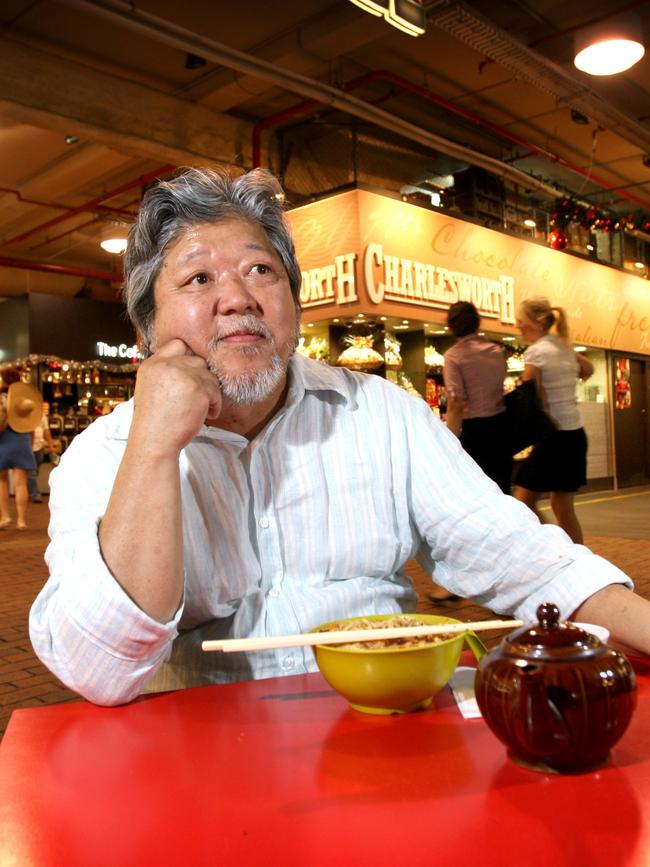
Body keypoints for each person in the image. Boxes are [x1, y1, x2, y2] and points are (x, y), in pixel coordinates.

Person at [28, 167, 650, 708]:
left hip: (383, 732)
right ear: (147, 326)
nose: (238, 298)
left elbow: (516, 552)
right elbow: (101, 673)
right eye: (198, 280)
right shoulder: (103, 458)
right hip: (198, 763)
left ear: (295, 304)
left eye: (261, 270)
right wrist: (154, 446)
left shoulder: (381, 414)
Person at [513, 297, 594, 544]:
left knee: (522, 502)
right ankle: (577, 560)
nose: (518, 326)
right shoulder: (564, 347)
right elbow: (589, 369)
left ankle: (553, 547)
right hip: (574, 435)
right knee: (563, 505)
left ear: (535, 323)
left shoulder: (536, 352)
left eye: (520, 321)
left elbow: (530, 395)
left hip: (553, 437)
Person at [443, 301, 511, 494]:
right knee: (502, 490)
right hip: (501, 428)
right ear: (477, 323)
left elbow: (456, 403)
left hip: (476, 432)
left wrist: (449, 441)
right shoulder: (496, 351)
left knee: (477, 492)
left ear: (451, 325)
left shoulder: (454, 356)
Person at [0, 370, 37, 530]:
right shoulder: (24, 399)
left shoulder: (1, 397)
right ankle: (21, 520)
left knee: (1, 481)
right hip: (22, 439)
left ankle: (5, 516)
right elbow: (32, 424)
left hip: (3, 439)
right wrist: (31, 443)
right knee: (21, 483)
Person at [27, 412, 54, 503]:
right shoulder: (26, 414)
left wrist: (50, 444)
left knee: (35, 471)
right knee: (32, 472)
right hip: (28, 447)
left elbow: (46, 430)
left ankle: (28, 490)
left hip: (40, 446)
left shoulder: (42, 415)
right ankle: (35, 495)